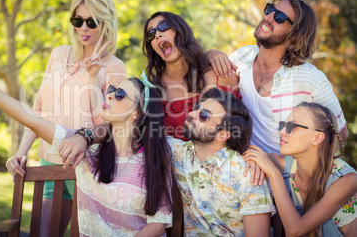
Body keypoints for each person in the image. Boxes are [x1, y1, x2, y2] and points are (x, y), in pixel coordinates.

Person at [0, 57, 173, 236]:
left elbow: (158, 221)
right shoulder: (87, 154)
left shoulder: (154, 159)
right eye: (112, 89)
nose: (109, 94)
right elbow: (32, 119)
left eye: (119, 95)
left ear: (136, 113)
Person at [59, 88, 276, 236]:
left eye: (204, 115)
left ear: (223, 134)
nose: (192, 113)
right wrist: (84, 136)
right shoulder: (176, 151)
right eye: (197, 108)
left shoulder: (247, 173)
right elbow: (124, 126)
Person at [5, 0, 127, 236]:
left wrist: (93, 78)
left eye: (91, 22)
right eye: (77, 20)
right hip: (50, 161)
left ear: (106, 23)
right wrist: (20, 152)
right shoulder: (58, 55)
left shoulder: (115, 67)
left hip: (89, 167)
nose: (83, 28)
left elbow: (105, 125)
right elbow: (39, 110)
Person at [206, 0, 348, 154]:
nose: (268, 17)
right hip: (243, 163)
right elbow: (209, 71)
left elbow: (341, 134)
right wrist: (211, 54)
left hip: (285, 171)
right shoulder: (243, 56)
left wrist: (298, 168)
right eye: (269, 9)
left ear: (295, 33)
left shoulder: (311, 79)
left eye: (280, 17)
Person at [243, 102, 357, 236]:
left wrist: (274, 174)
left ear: (317, 138)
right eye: (283, 125)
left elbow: (295, 230)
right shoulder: (283, 164)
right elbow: (240, 154)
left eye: (292, 126)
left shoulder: (346, 180)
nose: (281, 132)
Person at [143, 11, 240, 141]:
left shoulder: (219, 73)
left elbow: (239, 129)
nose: (158, 35)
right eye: (151, 33)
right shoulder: (152, 91)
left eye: (163, 27)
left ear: (180, 30)